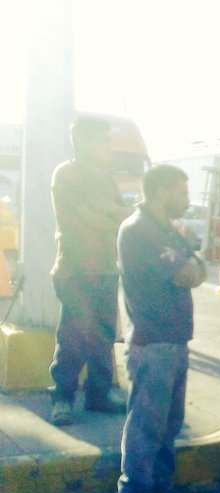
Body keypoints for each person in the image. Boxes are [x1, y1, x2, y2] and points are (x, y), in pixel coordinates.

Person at [115, 164, 206, 493]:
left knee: (169, 423)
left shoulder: (165, 229)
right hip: (153, 342)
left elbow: (196, 268)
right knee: (146, 424)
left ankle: (158, 485)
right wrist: (193, 266)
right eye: (181, 192)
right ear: (163, 191)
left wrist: (193, 266)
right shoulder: (140, 230)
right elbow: (188, 272)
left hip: (173, 340)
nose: (186, 200)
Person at [48, 115, 132, 425]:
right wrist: (111, 215)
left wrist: (107, 210)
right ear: (82, 141)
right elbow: (87, 217)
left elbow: (122, 214)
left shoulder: (106, 177)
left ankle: (99, 394)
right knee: (73, 336)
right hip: (74, 271)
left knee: (102, 336)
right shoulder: (67, 174)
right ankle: (62, 397)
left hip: (106, 270)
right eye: (104, 140)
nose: (109, 147)